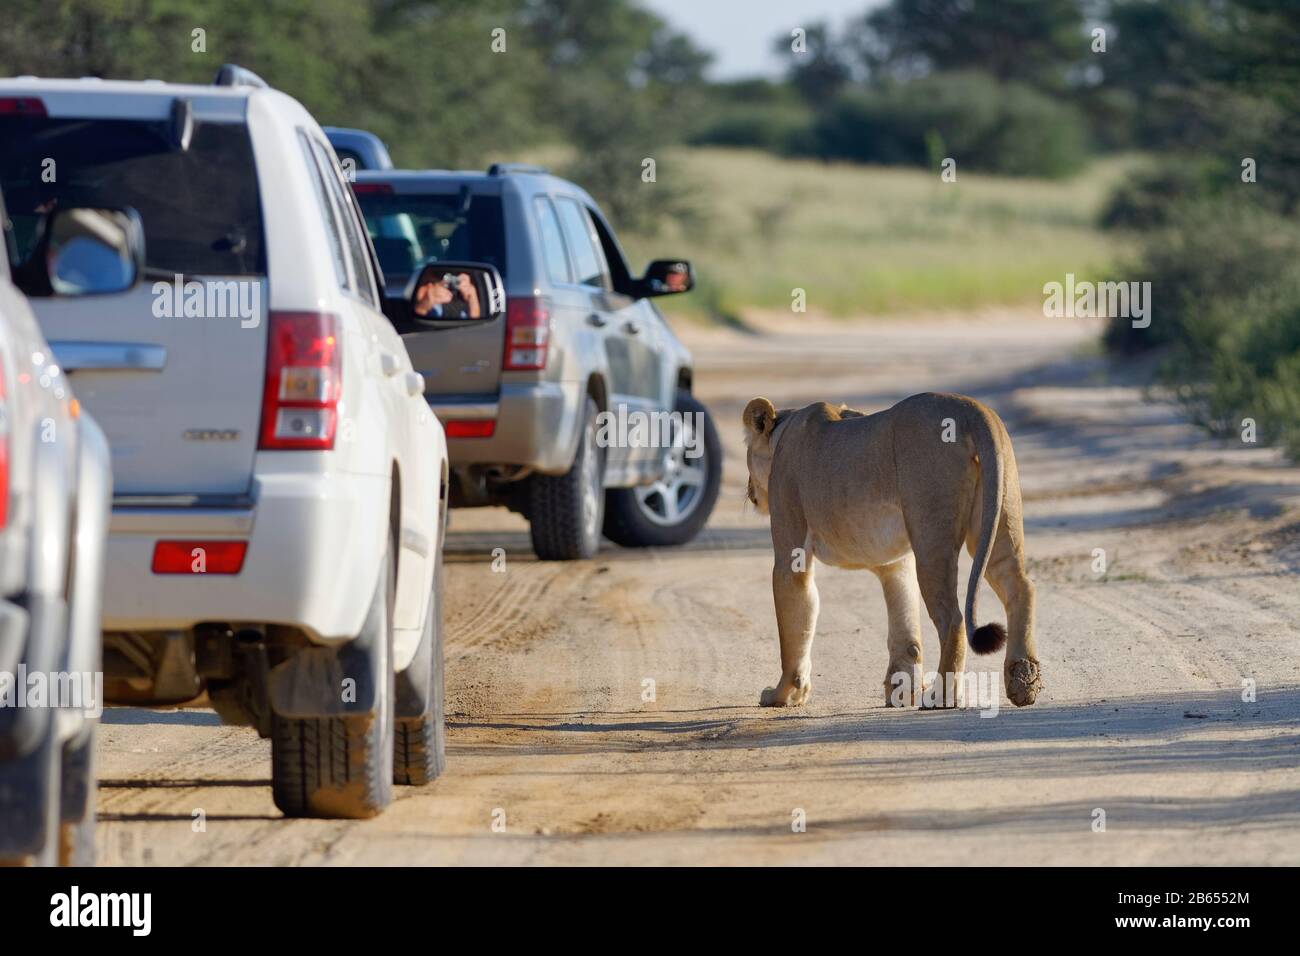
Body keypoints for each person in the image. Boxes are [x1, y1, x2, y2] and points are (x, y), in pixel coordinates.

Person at [413, 269, 480, 319]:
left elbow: (474, 327)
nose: (431, 288)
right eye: (425, 283)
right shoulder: (409, 306)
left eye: (434, 282)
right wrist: (422, 307)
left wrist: (472, 297)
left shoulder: (456, 306)